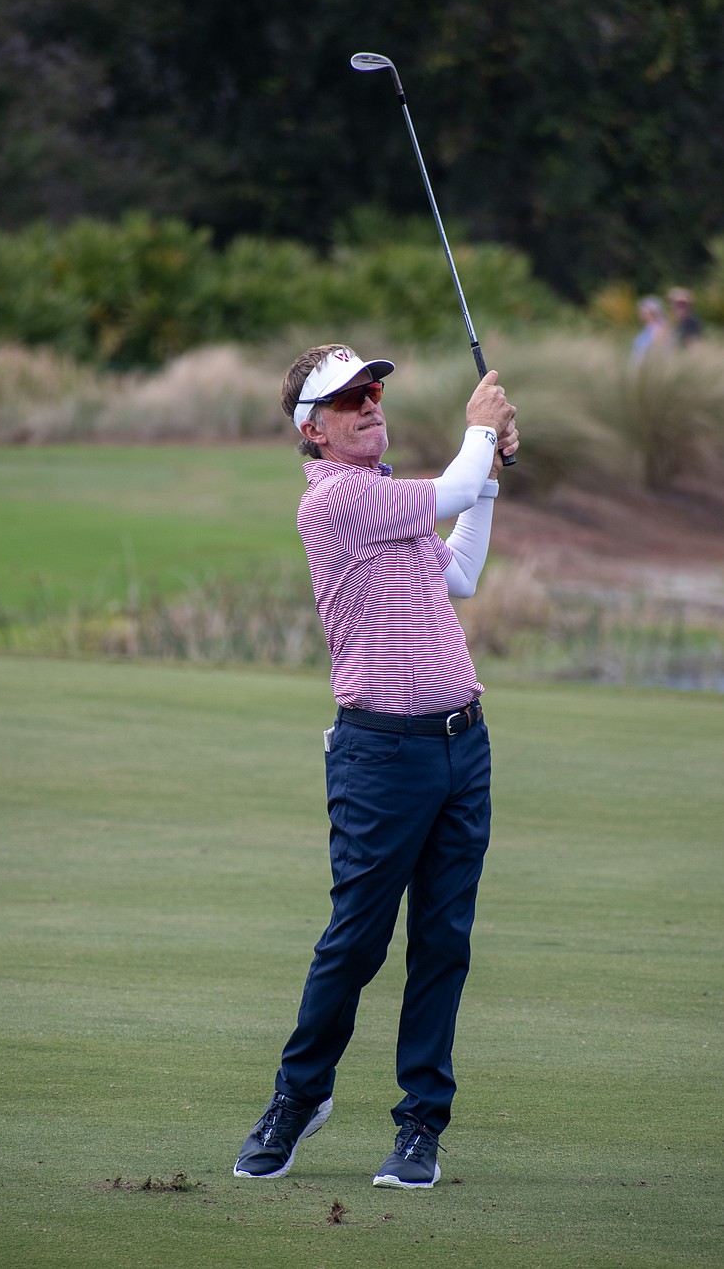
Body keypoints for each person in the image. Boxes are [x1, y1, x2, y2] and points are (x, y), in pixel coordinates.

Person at [233, 344, 519, 1190]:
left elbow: (461, 569)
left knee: (443, 942)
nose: (370, 403)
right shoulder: (336, 502)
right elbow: (453, 489)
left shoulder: (389, 506)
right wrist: (480, 434)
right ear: (313, 429)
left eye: (374, 389)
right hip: (380, 755)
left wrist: (491, 471)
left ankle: (420, 1124)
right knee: (356, 939)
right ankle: (299, 1094)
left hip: (462, 746)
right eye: (349, 397)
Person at [631, 295, 669, 361]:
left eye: (642, 310)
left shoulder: (659, 328)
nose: (640, 312)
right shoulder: (647, 328)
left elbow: (658, 351)